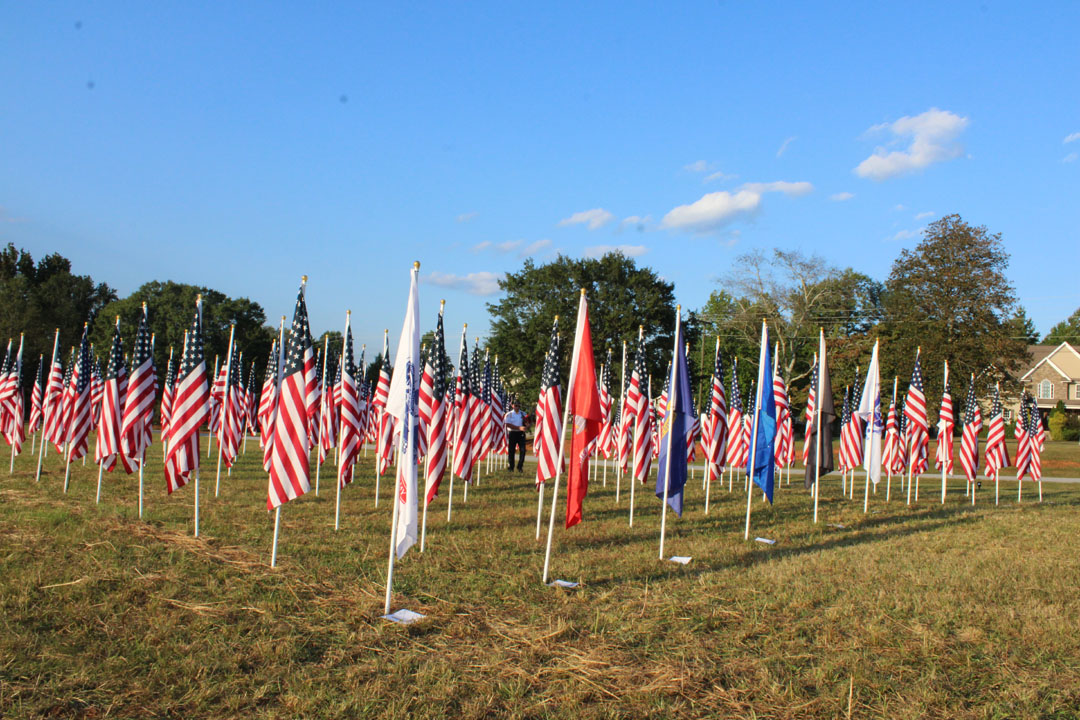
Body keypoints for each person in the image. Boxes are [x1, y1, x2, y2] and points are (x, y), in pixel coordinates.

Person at [505, 402, 527, 472]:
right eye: (515, 405)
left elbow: (527, 422)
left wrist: (527, 425)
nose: (517, 407)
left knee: (523, 450)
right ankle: (511, 467)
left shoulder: (523, 414)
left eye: (518, 405)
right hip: (513, 433)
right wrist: (518, 428)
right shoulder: (509, 414)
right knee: (511, 451)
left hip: (521, 434)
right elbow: (508, 424)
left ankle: (520, 467)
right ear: (512, 405)